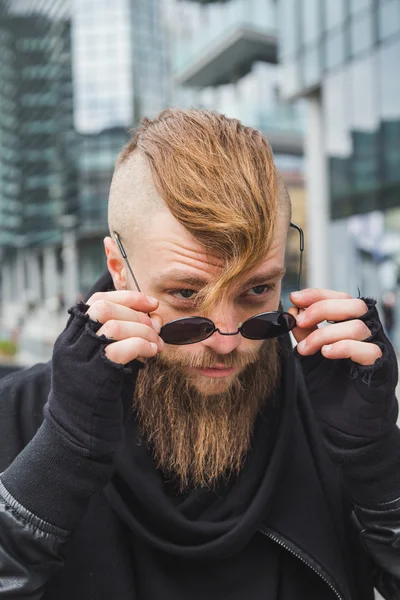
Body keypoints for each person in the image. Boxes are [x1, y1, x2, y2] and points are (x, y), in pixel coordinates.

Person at [0, 109, 399, 600]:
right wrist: (59, 457)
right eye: (187, 295)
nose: (227, 338)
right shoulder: (15, 417)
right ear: (118, 268)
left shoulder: (334, 417)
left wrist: (378, 462)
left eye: (257, 291)